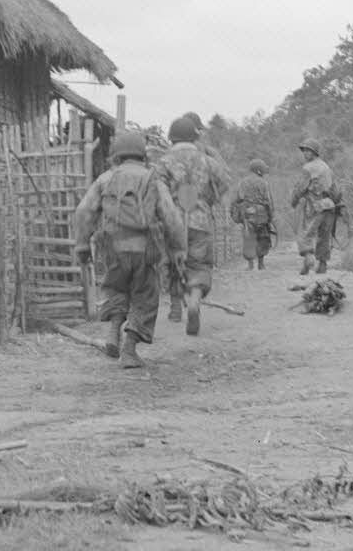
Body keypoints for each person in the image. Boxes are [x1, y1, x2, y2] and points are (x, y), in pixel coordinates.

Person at [71, 130, 185, 369]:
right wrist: (177, 249)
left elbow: (84, 212)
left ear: (117, 155)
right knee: (145, 297)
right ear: (142, 154)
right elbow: (172, 218)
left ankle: (114, 331)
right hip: (146, 250)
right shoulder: (153, 180)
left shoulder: (106, 179)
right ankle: (130, 350)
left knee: (116, 288)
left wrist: (82, 244)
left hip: (113, 248)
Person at [152, 115, 231, 335]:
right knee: (199, 265)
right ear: (194, 136)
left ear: (172, 138)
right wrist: (208, 200)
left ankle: (176, 308)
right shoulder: (207, 160)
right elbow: (224, 182)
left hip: (172, 221)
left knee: (173, 262)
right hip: (200, 221)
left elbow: (155, 190)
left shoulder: (164, 161)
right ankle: (194, 300)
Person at [290, 138, 340, 277]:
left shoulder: (308, 168)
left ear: (314, 152)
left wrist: (293, 201)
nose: (305, 153)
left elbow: (301, 187)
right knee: (324, 236)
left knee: (306, 233)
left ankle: (308, 258)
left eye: (308, 150)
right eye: (304, 150)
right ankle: (322, 264)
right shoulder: (326, 167)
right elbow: (335, 189)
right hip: (329, 205)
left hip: (315, 205)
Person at [230, 159, 276, 271]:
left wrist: (235, 213)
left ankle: (250, 265)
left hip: (248, 214)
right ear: (259, 170)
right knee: (263, 237)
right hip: (262, 214)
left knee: (249, 238)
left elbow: (238, 199)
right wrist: (271, 216)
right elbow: (268, 201)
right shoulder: (264, 183)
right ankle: (261, 264)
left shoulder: (243, 182)